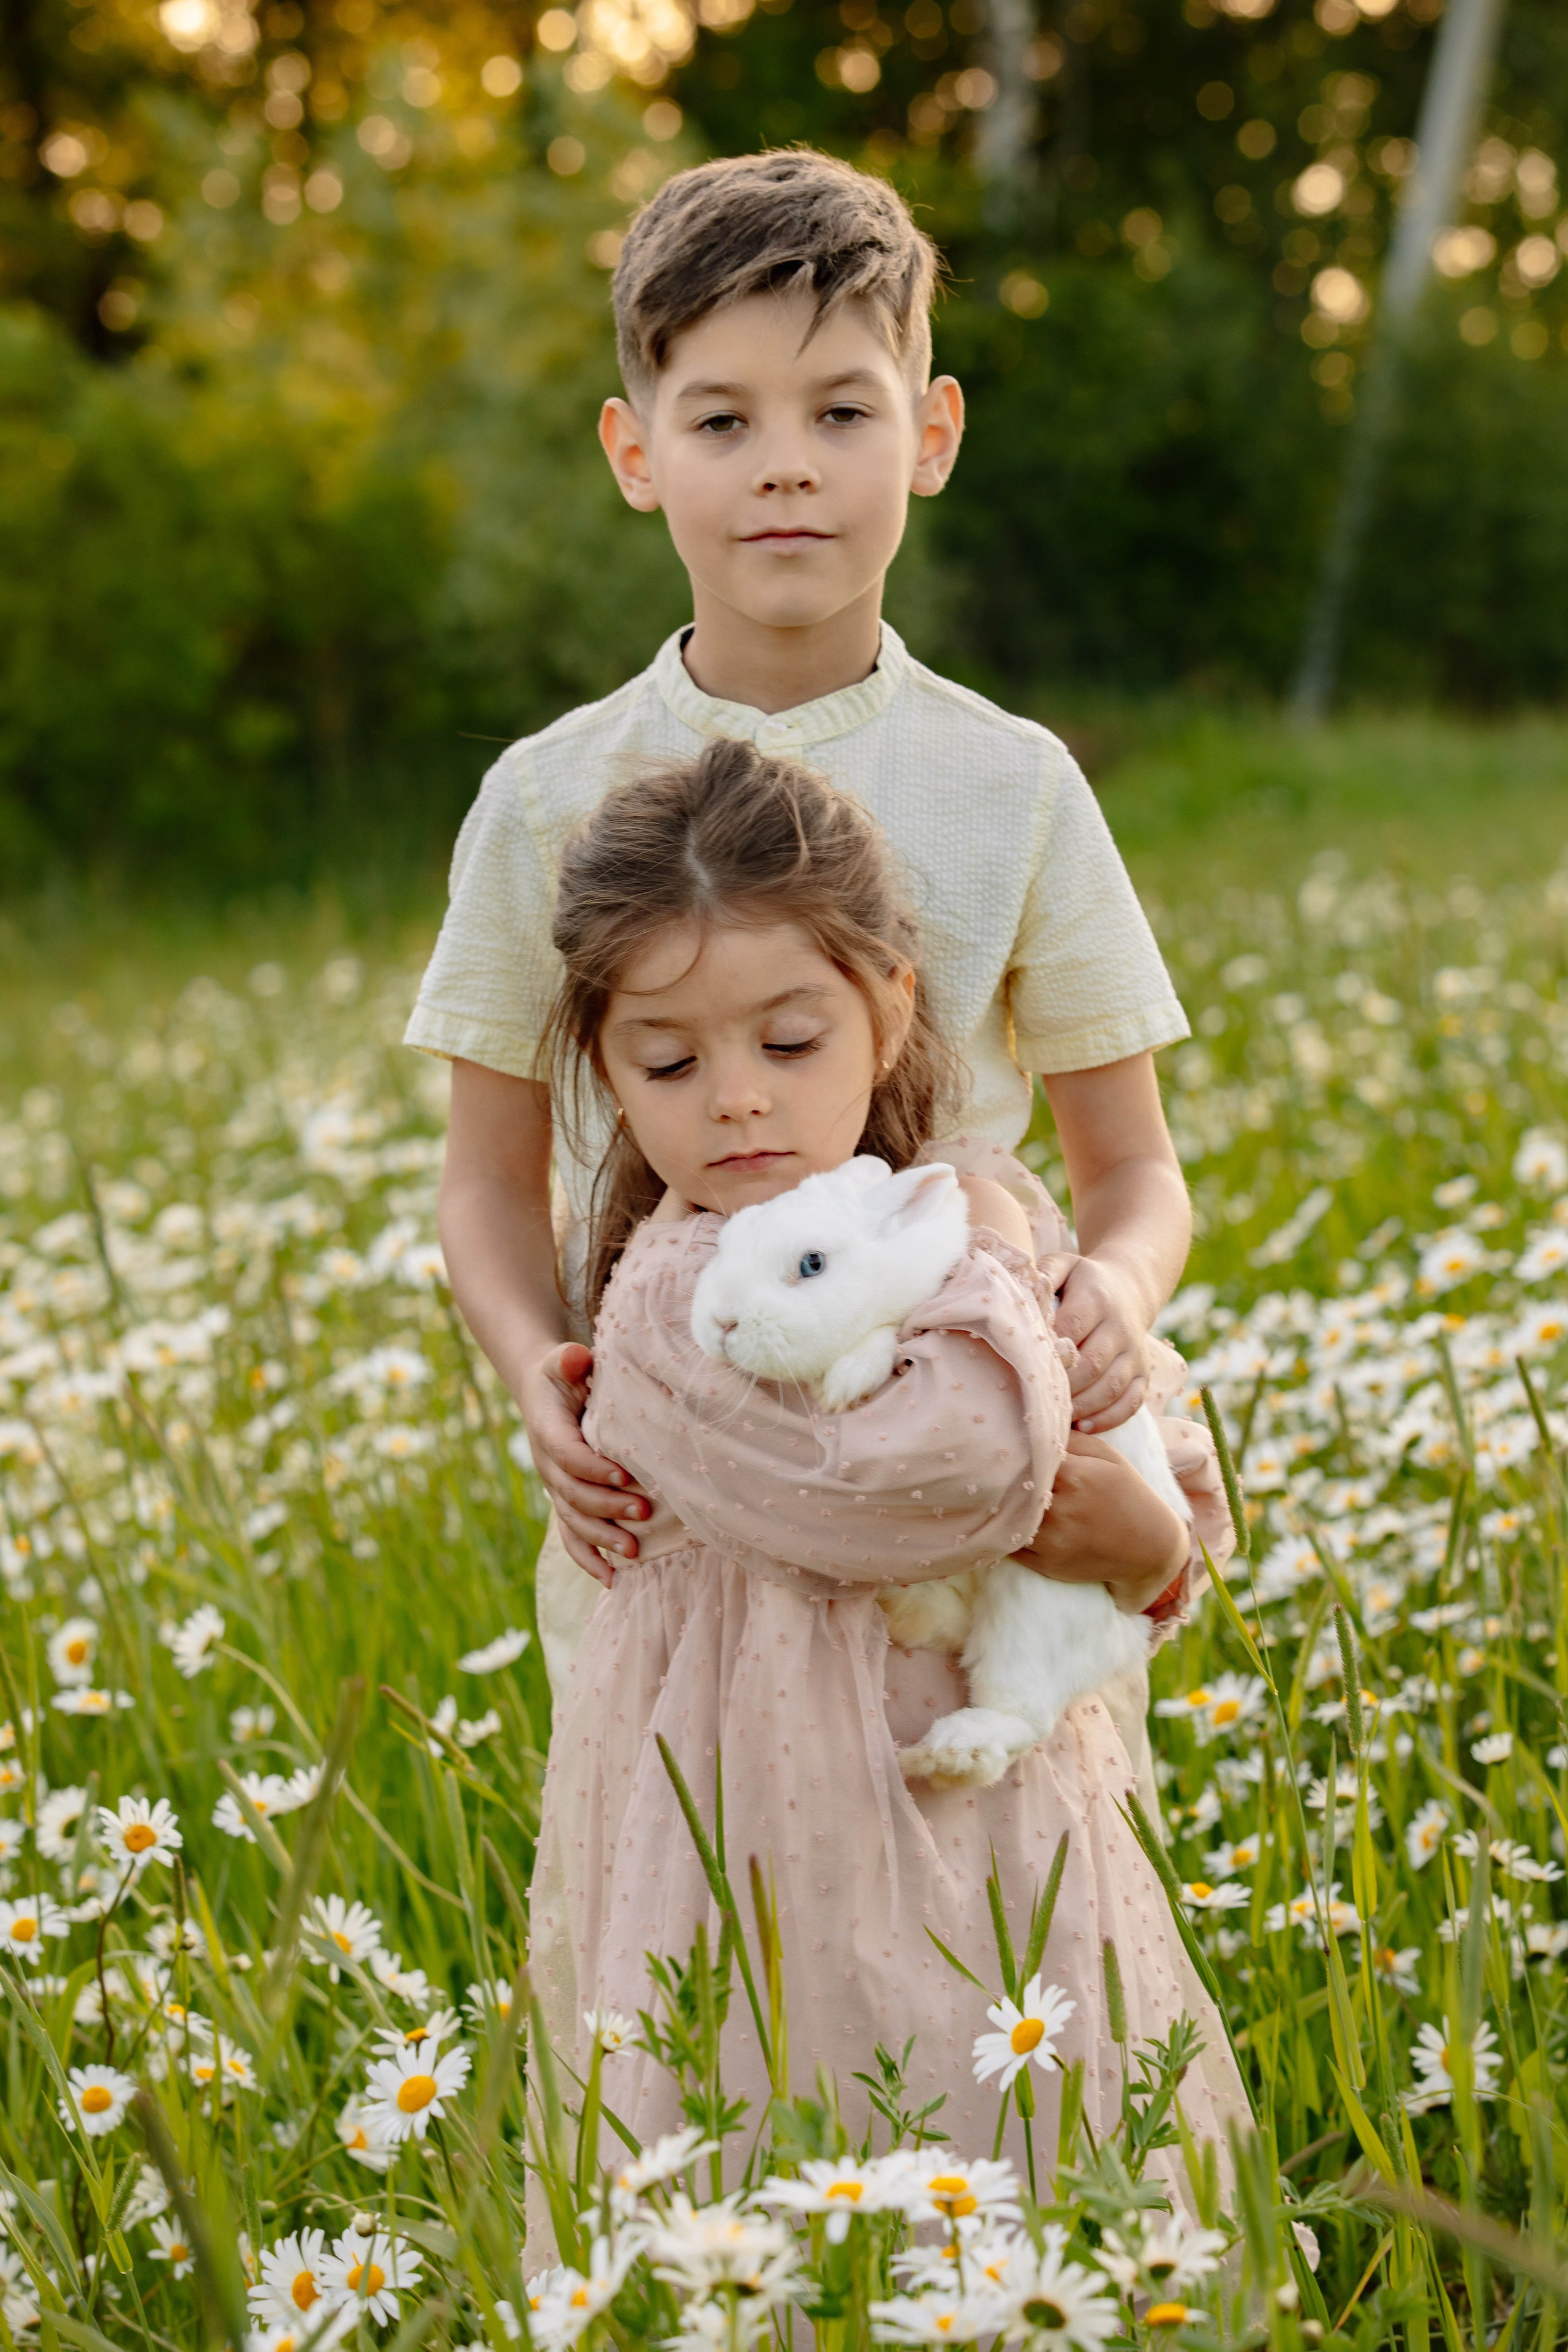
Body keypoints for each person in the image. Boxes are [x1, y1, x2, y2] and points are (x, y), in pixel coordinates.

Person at [409, 148, 1197, 1795]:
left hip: (971, 1486)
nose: (787, 470)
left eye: (842, 413)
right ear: (636, 452)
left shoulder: (1016, 786)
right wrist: (536, 1375)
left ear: (934, 434)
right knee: (710, 1949)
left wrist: (1111, 1300)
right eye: (723, 422)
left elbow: (1132, 1169)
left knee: (993, 1943)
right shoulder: (546, 798)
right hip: (684, 1481)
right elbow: (485, 1178)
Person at [525, 738, 1248, 2175]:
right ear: (605, 1068)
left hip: (998, 1807)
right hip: (758, 1838)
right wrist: (983, 1244)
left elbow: (1164, 1482)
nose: (734, 1099)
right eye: (667, 1061)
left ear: (889, 1010)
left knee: (1029, 2149)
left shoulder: (960, 1208)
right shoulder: (672, 1306)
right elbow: (952, 1469)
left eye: (787, 1045)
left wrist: (1154, 1547)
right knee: (796, 2170)